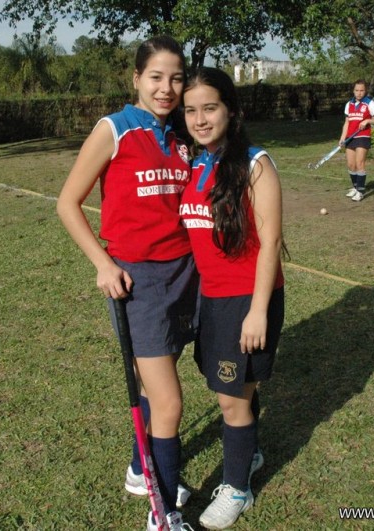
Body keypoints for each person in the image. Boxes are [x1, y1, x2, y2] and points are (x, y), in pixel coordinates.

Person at [56, 35, 198, 531]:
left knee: (157, 384)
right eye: (156, 77)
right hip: (140, 281)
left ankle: (142, 470)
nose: (166, 88)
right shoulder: (114, 129)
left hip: (186, 273)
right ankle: (164, 514)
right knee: (170, 402)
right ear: (136, 78)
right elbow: (67, 203)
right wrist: (103, 263)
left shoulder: (180, 132)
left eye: (176, 78)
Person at [180, 67, 284, 530]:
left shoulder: (255, 164)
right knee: (236, 387)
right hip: (212, 297)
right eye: (191, 110)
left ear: (231, 110)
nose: (200, 119)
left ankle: (237, 489)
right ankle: (250, 452)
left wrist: (257, 311)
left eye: (210, 107)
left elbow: (270, 240)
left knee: (230, 399)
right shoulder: (197, 162)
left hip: (247, 298)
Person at [339, 79, 374, 202]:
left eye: (362, 90)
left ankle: (360, 191)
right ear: (353, 91)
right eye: (357, 90)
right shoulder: (349, 104)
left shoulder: (369, 103)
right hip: (350, 137)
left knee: (359, 163)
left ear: (365, 91)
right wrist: (342, 137)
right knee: (351, 165)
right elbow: (347, 122)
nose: (359, 93)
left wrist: (368, 121)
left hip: (363, 136)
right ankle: (355, 187)